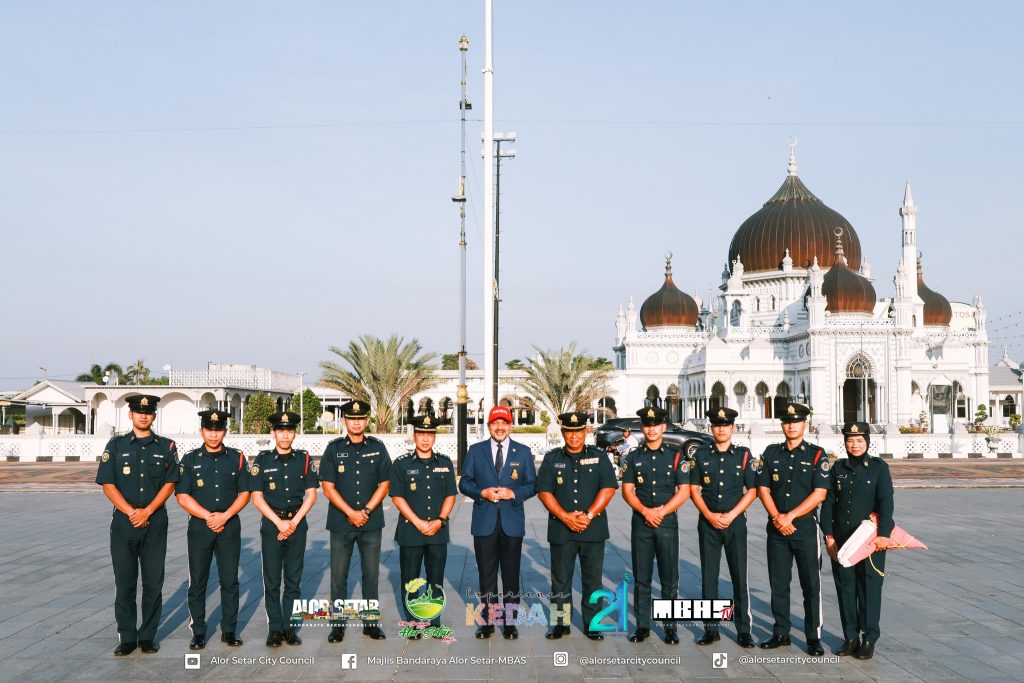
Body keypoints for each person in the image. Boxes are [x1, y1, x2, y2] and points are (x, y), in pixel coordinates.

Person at [95, 394, 179, 656]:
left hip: (155, 522)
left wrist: (149, 511)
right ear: (130, 415)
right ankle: (127, 636)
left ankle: (148, 636)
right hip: (124, 523)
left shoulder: (167, 446)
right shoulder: (116, 446)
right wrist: (132, 512)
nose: (144, 416)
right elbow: (108, 485)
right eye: (138, 412)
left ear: (154, 415)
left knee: (153, 582)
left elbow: (170, 483)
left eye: (149, 412)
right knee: (125, 582)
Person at [536, 411, 618, 640]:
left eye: (578, 431)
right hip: (561, 529)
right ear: (563, 432)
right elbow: (544, 491)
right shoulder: (552, 459)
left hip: (593, 528)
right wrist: (565, 516)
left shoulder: (599, 457)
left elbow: (609, 488)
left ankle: (593, 624)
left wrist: (588, 515)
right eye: (569, 432)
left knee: (593, 579)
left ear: (586, 431)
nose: (574, 436)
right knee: (560, 580)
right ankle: (560, 624)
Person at [756, 402, 830, 656]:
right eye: (787, 421)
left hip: (805, 528)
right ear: (782, 425)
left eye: (796, 421)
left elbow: (820, 493)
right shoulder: (771, 453)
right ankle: (780, 632)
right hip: (776, 528)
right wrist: (778, 517)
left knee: (810, 585)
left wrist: (791, 517)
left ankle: (813, 637)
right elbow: (763, 489)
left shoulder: (817, 455)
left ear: (805, 425)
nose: (791, 425)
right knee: (779, 583)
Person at [458, 405, 537, 640]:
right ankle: (488, 621)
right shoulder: (476, 451)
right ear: (489, 426)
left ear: (510, 425)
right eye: (495, 423)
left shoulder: (522, 452)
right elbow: (465, 483)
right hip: (485, 522)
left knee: (511, 573)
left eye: (504, 423)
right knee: (487, 574)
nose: (500, 427)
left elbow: (532, 484)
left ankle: (510, 622)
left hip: (512, 522)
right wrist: (482, 492)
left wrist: (513, 494)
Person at [175, 409, 250, 650]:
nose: (214, 434)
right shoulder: (190, 459)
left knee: (230, 580)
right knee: (198, 580)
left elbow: (244, 493)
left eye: (218, 430)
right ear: (202, 431)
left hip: (229, 525)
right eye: (209, 429)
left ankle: (229, 630)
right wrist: (208, 516)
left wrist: (225, 515)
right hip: (200, 526)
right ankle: (198, 631)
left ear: (225, 431)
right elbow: (182, 496)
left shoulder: (237, 458)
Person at [820, 421, 894, 660]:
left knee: (870, 588)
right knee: (846, 588)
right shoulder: (838, 468)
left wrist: (883, 534)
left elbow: (886, 503)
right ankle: (850, 636)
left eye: (859, 440)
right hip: (843, 540)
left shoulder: (878, 468)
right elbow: (828, 503)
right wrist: (829, 537)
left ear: (867, 442)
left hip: (871, 540)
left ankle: (869, 638)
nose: (854, 445)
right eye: (850, 441)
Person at [319, 399, 391, 642]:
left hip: (371, 523)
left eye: (361, 418)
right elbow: (328, 488)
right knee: (338, 575)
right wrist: (351, 512)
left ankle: (371, 623)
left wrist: (366, 511)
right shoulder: (333, 449)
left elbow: (385, 484)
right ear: (344, 421)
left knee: (370, 574)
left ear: (367, 421)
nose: (356, 422)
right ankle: (337, 624)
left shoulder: (378, 448)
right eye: (351, 418)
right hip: (341, 522)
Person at [620, 406, 691, 644]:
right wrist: (644, 511)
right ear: (642, 428)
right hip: (641, 523)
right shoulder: (633, 457)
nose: (651, 429)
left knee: (669, 578)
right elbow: (627, 490)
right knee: (642, 578)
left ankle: (670, 628)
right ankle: (642, 626)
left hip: (666, 522)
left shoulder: (676, 456)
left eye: (656, 425)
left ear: (663, 427)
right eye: (647, 425)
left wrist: (661, 511)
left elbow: (684, 491)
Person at [689, 407, 758, 648]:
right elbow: (693, 489)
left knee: (739, 576)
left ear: (732, 428)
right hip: (708, 523)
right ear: (711, 428)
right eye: (717, 425)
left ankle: (743, 630)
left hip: (735, 523)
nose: (721, 429)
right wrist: (709, 514)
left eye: (725, 425)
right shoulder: (700, 455)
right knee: (709, 577)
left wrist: (731, 515)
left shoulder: (743, 455)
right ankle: (711, 629)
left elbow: (752, 490)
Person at [248, 411, 318, 648]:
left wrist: (293, 523)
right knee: (272, 580)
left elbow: (311, 494)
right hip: (272, 525)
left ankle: (290, 627)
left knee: (293, 579)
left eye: (289, 430)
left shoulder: (304, 458)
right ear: (273, 433)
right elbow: (256, 497)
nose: (285, 435)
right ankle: (274, 628)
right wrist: (279, 524)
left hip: (297, 524)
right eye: (280, 430)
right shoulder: (263, 460)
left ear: (295, 433)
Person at [389, 415, 458, 638]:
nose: (425, 439)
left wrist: (440, 521)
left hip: (438, 532)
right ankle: (412, 623)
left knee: (435, 578)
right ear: (414, 436)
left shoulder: (445, 463)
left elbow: (450, 496)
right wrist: (419, 522)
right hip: (411, 531)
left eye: (429, 435)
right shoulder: (401, 464)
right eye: (421, 434)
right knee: (410, 580)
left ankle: (434, 622)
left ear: (434, 437)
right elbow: (397, 497)